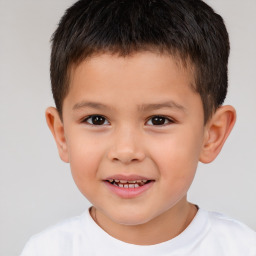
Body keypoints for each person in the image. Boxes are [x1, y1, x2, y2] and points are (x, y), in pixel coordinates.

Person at [20, 0, 256, 255]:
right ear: (62, 134)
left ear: (212, 134)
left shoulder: (242, 248)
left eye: (159, 120)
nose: (125, 150)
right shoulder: (46, 250)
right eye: (97, 119)